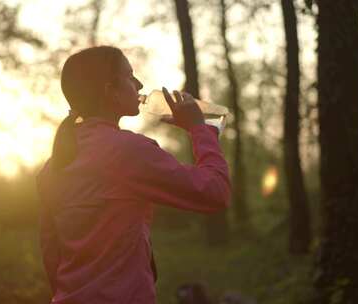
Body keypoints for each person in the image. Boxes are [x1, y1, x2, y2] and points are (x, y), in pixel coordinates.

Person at [36, 46, 231, 304]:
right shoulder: (128, 152)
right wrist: (199, 129)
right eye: (130, 76)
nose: (139, 84)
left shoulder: (52, 168)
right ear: (110, 90)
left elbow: (52, 256)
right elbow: (215, 192)